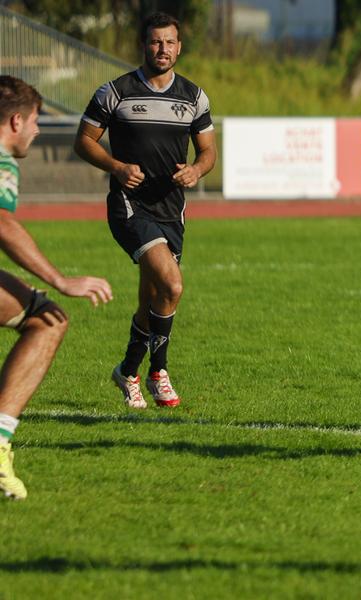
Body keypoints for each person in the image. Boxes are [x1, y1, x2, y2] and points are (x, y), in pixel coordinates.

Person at [74, 12, 216, 409]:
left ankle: (127, 370)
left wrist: (196, 169)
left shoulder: (193, 96)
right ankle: (159, 372)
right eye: (156, 42)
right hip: (129, 207)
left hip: (172, 210)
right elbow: (84, 141)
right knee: (171, 285)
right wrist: (116, 166)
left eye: (170, 42)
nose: (163, 49)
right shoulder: (115, 92)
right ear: (143, 45)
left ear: (179, 46)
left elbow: (208, 152)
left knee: (153, 298)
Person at [0, 76, 114, 500]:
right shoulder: (3, 161)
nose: (38, 129)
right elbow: (2, 224)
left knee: (37, 311)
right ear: (15, 121)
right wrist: (60, 280)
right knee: (48, 319)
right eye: (35, 120)